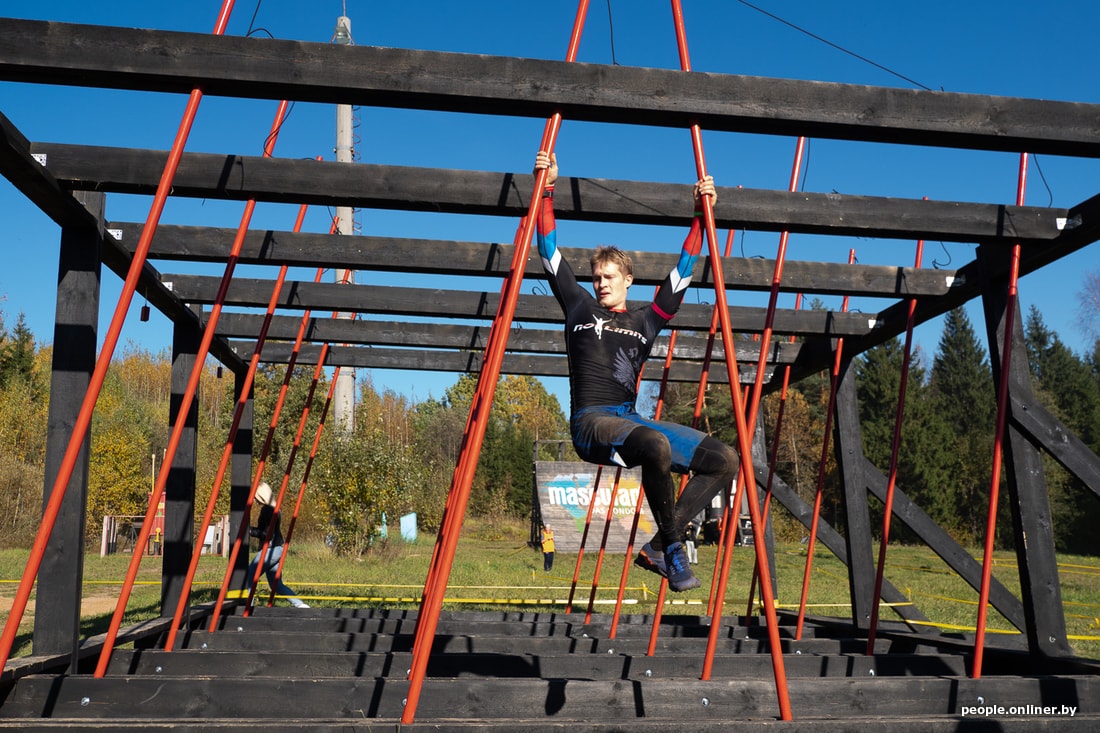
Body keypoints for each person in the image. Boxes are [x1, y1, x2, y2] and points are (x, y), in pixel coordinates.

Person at [533, 151, 738, 592]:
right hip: (592, 422)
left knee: (725, 460)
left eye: (609, 276)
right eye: (596, 277)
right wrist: (547, 188)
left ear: (629, 280)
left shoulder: (646, 320)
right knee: (654, 443)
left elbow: (681, 274)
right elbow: (549, 252)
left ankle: (660, 547)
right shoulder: (579, 307)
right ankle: (673, 546)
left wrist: (701, 215)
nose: (601, 284)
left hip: (629, 419)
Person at [248, 481, 309, 608]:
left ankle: (248, 607)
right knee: (276, 585)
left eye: (254, 496)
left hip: (269, 550)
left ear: (261, 495)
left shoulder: (268, 510)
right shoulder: (275, 509)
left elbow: (266, 534)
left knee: (249, 577)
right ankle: (300, 605)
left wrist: (249, 531)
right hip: (278, 549)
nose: (253, 499)